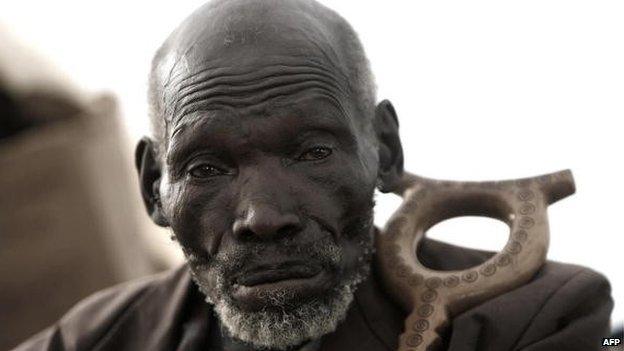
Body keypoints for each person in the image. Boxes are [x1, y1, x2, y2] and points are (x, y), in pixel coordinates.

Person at [14, 0, 613, 350]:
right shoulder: (95, 342)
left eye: (312, 153)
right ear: (153, 190)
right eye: (206, 167)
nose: (263, 217)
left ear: (384, 150)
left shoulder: (536, 319)